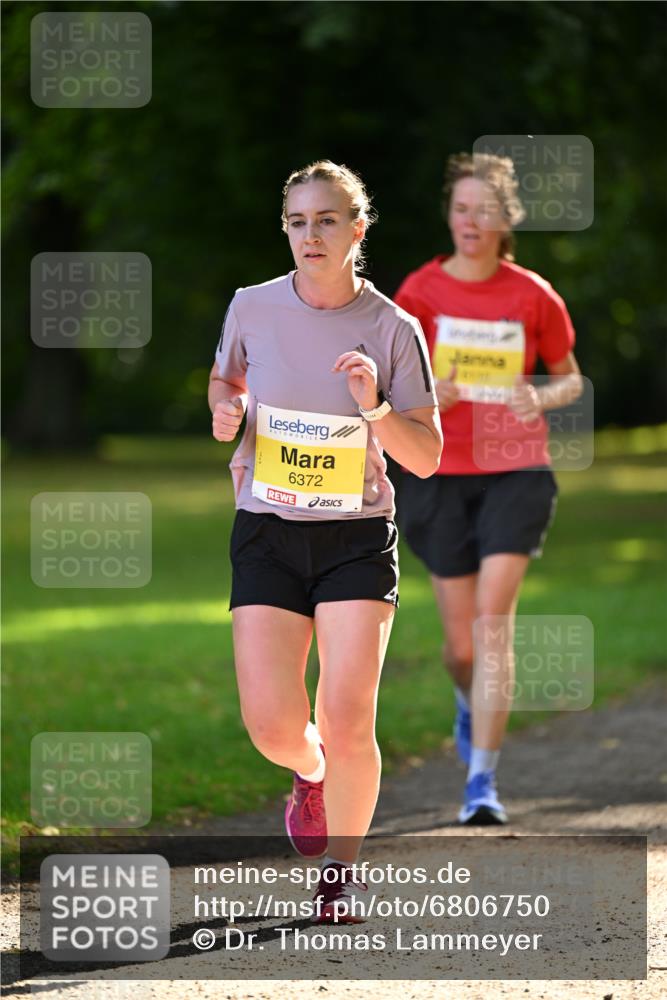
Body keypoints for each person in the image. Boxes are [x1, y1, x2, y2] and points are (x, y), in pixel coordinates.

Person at [209, 160, 441, 921]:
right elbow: (227, 380)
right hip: (268, 531)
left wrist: (373, 406)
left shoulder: (391, 327)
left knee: (347, 716)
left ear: (357, 229)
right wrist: (224, 409)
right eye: (298, 221)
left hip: (355, 538)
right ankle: (309, 774)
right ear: (286, 229)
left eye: (327, 219)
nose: (311, 234)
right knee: (275, 724)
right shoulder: (251, 305)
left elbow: (427, 455)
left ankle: (341, 870)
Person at [394, 152, 583, 826]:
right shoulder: (418, 291)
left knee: (492, 626)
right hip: (440, 474)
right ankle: (468, 705)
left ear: (506, 220)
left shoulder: (532, 292)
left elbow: (568, 376)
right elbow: (388, 382)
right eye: (460, 208)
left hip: (515, 471)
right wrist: (425, 390)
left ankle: (481, 782)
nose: (471, 221)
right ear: (450, 216)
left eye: (485, 210)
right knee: (461, 648)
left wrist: (538, 395)